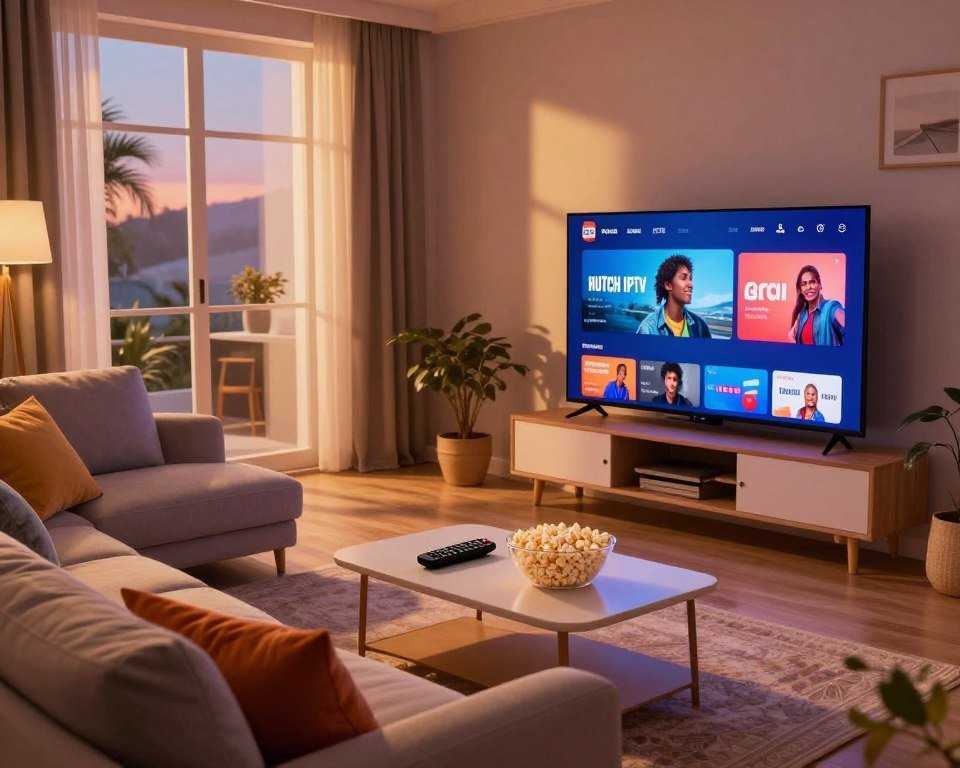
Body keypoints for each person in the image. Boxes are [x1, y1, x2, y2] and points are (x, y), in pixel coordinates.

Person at [637, 254, 712, 337]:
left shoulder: (700, 326)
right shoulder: (648, 328)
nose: (691, 284)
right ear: (668, 285)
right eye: (683, 278)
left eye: (690, 278)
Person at [787, 265, 845, 346]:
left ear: (819, 284)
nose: (808, 287)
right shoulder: (802, 314)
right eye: (804, 284)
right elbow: (790, 335)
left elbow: (853, 332)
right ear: (800, 290)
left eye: (812, 282)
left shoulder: (831, 308)